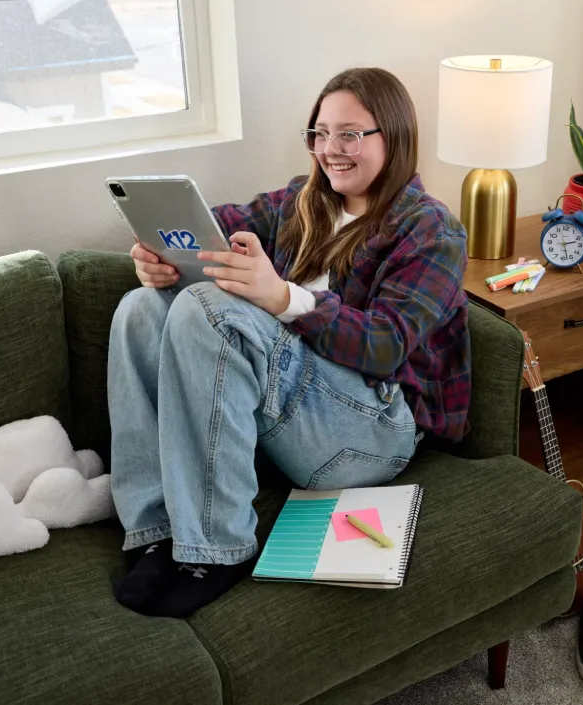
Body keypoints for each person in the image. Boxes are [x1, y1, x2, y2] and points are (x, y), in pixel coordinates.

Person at [107, 67, 471, 618]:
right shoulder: (303, 202)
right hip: (296, 415)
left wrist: (282, 297)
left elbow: (385, 345)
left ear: (392, 137)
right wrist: (159, 255)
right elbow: (214, 227)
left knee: (210, 308)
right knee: (140, 309)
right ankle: (158, 530)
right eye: (320, 133)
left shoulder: (431, 230)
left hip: (376, 429)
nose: (330, 149)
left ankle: (220, 550)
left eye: (350, 134)